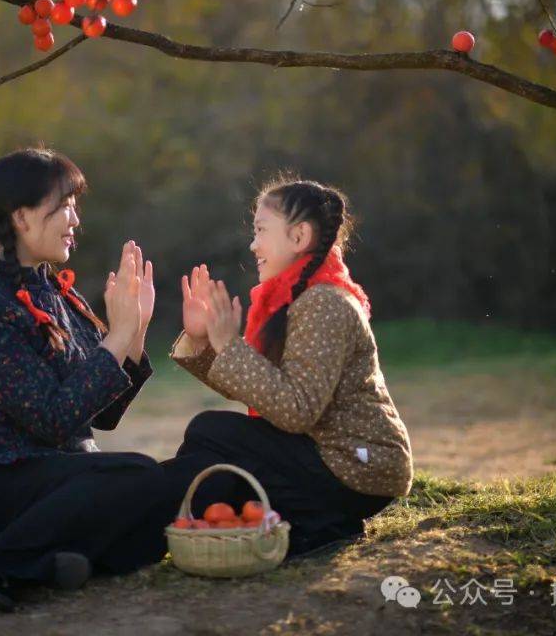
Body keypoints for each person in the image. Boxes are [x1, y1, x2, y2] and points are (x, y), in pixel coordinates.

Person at [0, 149, 168, 611]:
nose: (74, 219)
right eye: (63, 207)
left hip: (65, 478)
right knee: (137, 474)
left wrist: (135, 332)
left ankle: (53, 563)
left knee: (163, 493)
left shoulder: (57, 290)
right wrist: (115, 336)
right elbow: (54, 419)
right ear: (20, 217)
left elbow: (105, 415)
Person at [163, 176, 414, 558]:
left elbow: (296, 410)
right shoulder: (299, 300)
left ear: (299, 238)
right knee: (214, 453)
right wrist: (201, 339)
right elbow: (263, 387)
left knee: (211, 430)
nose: (253, 244)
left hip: (357, 470)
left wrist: (229, 346)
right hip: (323, 457)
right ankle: (187, 520)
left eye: (261, 230)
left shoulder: (325, 304)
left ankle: (324, 524)